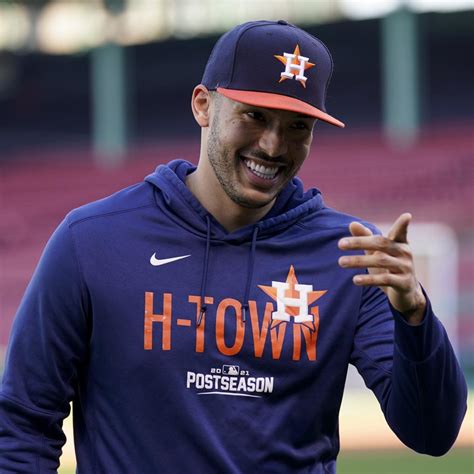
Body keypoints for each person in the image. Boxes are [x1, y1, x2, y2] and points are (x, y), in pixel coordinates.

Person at [0, 20, 467, 473]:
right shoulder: (93, 239)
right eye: (254, 116)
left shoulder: (352, 255)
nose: (273, 146)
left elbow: (432, 433)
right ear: (203, 106)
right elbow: (22, 423)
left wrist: (414, 317)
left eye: (298, 126)